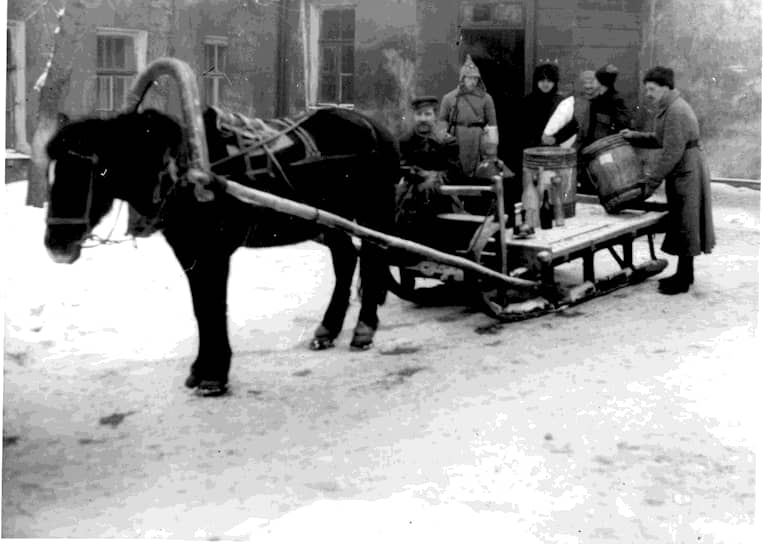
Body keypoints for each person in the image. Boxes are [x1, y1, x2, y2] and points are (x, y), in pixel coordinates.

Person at [620, 66, 715, 295]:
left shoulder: (676, 111)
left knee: (686, 222)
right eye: (647, 89)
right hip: (684, 167)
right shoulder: (669, 107)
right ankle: (685, 273)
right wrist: (634, 137)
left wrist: (651, 181)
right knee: (685, 222)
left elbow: (671, 151)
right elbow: (661, 139)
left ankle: (682, 280)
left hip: (687, 170)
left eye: (652, 89)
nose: (648, 94)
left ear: (665, 87)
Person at [542, 66, 631, 191]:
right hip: (586, 157)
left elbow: (624, 127)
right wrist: (555, 138)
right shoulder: (584, 103)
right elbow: (575, 125)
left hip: (606, 157)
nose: (589, 87)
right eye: (585, 83)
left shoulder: (614, 101)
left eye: (592, 82)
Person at [395, 95, 460, 247]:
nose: (423, 119)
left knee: (426, 188)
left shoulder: (447, 141)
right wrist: (412, 172)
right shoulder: (405, 141)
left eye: (427, 114)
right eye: (419, 114)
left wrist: (433, 176)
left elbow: (455, 173)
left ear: (435, 117)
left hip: (440, 194)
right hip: (410, 190)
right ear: (414, 116)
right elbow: (401, 166)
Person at [438, 55, 498, 179]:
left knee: (478, 171)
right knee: (455, 169)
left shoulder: (486, 99)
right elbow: (442, 119)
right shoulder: (449, 98)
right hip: (457, 137)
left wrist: (491, 148)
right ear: (463, 79)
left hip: (477, 139)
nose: (472, 81)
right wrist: (443, 135)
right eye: (469, 78)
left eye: (475, 78)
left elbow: (492, 124)